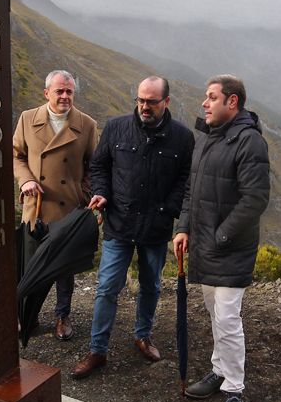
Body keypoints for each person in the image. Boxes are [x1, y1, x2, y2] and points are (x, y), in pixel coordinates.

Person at [71, 76, 195, 379]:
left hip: (156, 226)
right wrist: (102, 192)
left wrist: (169, 210)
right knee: (106, 289)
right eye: (140, 100)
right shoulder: (116, 127)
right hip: (119, 223)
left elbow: (186, 179)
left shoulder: (182, 137)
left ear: (166, 102)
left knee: (151, 286)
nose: (144, 106)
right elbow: (99, 166)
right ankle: (97, 351)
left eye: (151, 101)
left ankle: (143, 335)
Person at [173, 74, 270, 402]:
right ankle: (219, 369)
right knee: (216, 314)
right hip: (204, 246)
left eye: (211, 97)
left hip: (229, 248)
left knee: (228, 318)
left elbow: (255, 199)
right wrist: (183, 227)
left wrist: (221, 235)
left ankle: (233, 391)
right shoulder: (207, 139)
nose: (204, 103)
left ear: (233, 103)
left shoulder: (250, 142)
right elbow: (190, 192)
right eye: (205, 97)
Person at [13, 70, 98, 341]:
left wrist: (82, 193)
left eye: (69, 92)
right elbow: (16, 155)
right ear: (46, 92)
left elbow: (93, 166)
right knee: (32, 264)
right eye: (59, 91)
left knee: (64, 267)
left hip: (68, 207)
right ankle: (28, 316)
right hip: (36, 206)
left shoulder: (87, 124)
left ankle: (62, 316)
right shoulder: (28, 119)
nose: (64, 96)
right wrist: (25, 180)